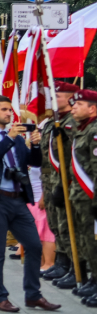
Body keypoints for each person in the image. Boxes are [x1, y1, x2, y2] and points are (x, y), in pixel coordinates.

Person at [0, 95, 59, 313]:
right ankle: (0, 297)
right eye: (3, 110)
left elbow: (33, 162)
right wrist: (8, 138)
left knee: (34, 245)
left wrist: (36, 146)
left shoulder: (18, 138)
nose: (9, 113)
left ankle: (33, 295)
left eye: (10, 110)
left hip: (18, 199)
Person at [39, 82, 78, 285]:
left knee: (67, 224)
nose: (54, 99)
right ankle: (61, 263)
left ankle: (74, 267)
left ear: (71, 98)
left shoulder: (72, 123)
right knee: (56, 224)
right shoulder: (51, 123)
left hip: (65, 181)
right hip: (49, 179)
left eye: (59, 96)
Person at [67, 90, 97, 302]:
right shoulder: (82, 130)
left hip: (90, 196)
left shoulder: (94, 132)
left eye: (78, 105)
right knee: (85, 239)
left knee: (93, 240)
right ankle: (92, 280)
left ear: (92, 108)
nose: (73, 108)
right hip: (80, 195)